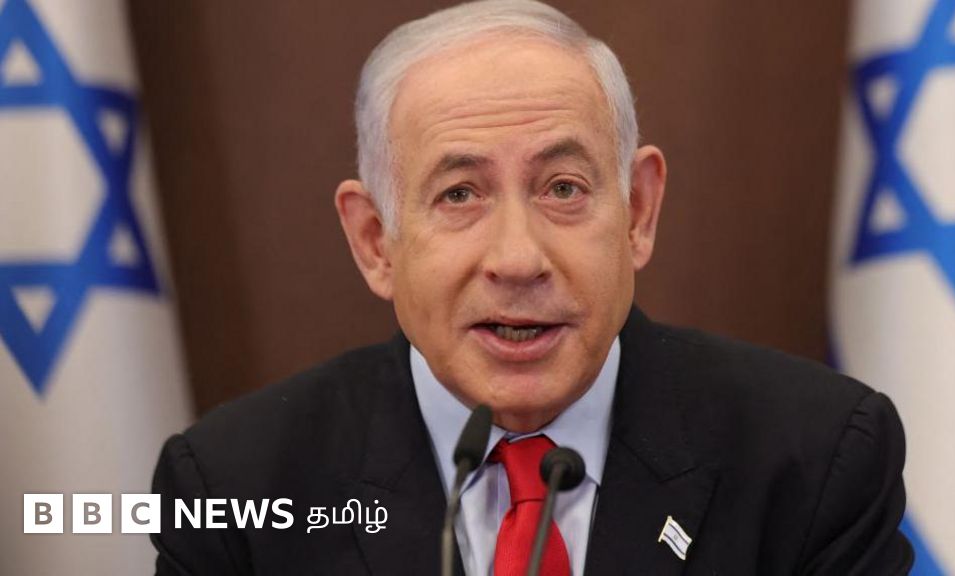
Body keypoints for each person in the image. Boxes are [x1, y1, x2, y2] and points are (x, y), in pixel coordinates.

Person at [151, 1, 913, 574]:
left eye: (563, 188)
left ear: (638, 212)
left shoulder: (814, 460)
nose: (518, 259)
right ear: (376, 241)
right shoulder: (235, 491)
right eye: (459, 195)